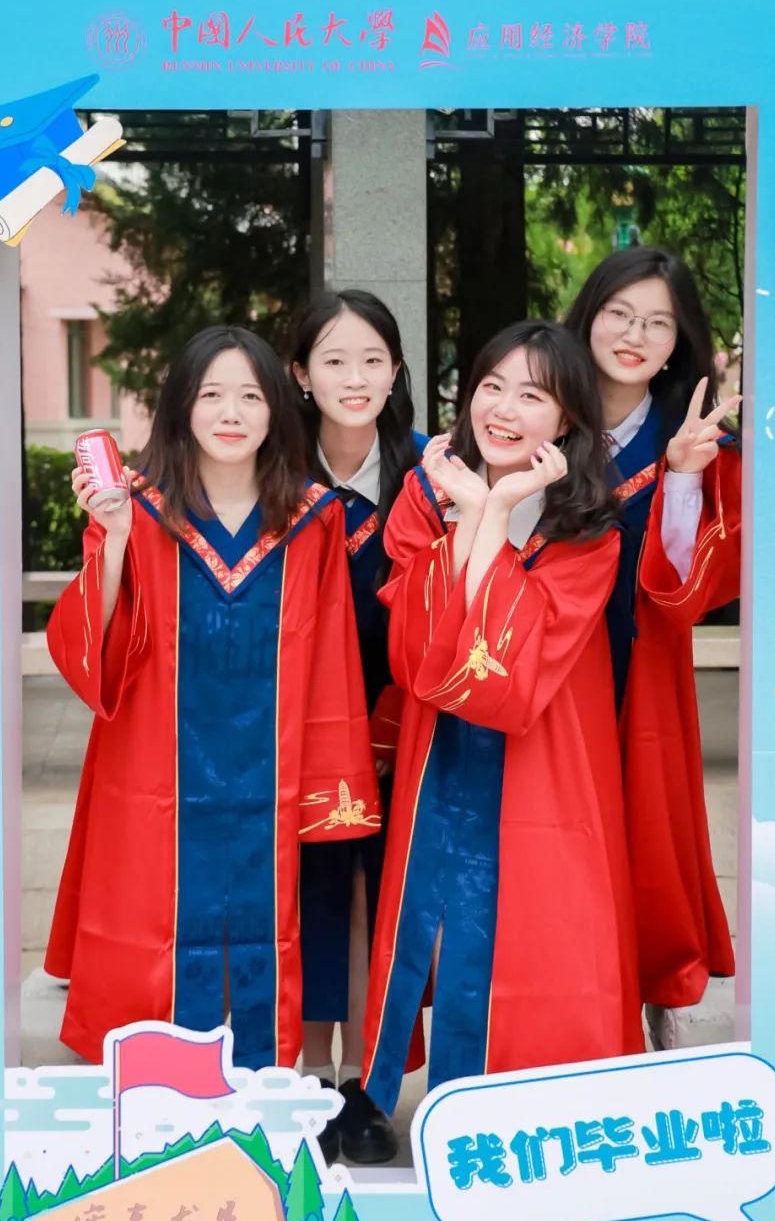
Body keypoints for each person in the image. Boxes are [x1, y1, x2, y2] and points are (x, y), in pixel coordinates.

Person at [44, 326, 380, 1068]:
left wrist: (332, 786)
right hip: (157, 777)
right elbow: (95, 654)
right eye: (212, 395)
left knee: (269, 938)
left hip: (274, 779)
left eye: (251, 397)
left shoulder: (314, 518)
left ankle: (259, 1091)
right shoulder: (136, 508)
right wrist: (114, 538)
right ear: (181, 407)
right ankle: (159, 1098)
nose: (232, 413)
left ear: (276, 410)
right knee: (155, 938)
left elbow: (333, 663)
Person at [362, 321, 643, 1114]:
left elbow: (512, 673)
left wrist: (498, 509)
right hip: (441, 749)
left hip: (544, 753)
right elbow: (418, 652)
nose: (504, 409)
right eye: (491, 386)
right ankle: (429, 1099)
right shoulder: (427, 495)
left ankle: (537, 1108)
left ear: (568, 420)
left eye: (532, 395)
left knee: (548, 926)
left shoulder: (589, 527)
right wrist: (477, 510)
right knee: (434, 920)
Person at [564, 248, 741, 1023]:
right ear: (589, 317)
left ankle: (646, 992)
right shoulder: (544, 413)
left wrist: (685, 475)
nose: (634, 335)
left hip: (643, 661)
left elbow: (687, 585)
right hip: (548, 667)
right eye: (620, 314)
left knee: (644, 829)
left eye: (658, 323)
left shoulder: (689, 438)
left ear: (678, 343)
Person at [289, 289, 424, 1164]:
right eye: (334, 360)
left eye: (373, 359)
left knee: (381, 902)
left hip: (402, 723)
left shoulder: (428, 474)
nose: (354, 377)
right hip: (298, 729)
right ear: (300, 374)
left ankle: (369, 1091)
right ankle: (306, 1084)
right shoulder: (272, 472)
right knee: (308, 898)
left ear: (396, 371)